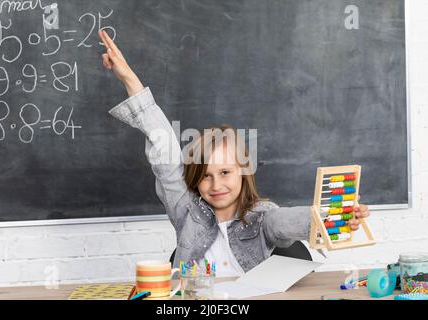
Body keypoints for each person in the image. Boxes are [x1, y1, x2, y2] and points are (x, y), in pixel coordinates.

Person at [98, 30, 370, 277]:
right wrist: (129, 78)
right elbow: (164, 145)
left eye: (225, 172)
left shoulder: (262, 218)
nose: (216, 185)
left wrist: (335, 215)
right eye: (206, 176)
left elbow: (290, 221)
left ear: (243, 172)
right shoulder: (186, 211)